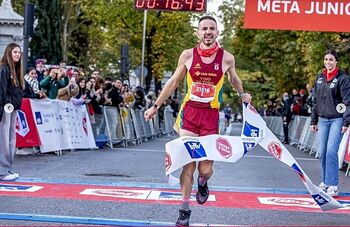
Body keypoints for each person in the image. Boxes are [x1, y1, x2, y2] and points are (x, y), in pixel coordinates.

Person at [144, 15, 252, 226]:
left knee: (205, 170)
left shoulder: (226, 58)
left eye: (212, 28)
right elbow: (174, 82)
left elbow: (234, 79)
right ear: (198, 32)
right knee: (188, 166)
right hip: (190, 114)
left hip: (210, 116)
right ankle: (184, 210)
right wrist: (156, 106)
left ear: (217, 32)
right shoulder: (187, 55)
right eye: (204, 28)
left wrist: (242, 95)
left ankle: (203, 183)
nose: (208, 32)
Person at [310, 50, 350, 197]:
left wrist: (346, 121)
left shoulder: (343, 78)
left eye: (331, 60)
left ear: (336, 62)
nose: (328, 62)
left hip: (337, 119)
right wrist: (313, 120)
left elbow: (347, 101)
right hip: (323, 119)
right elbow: (315, 100)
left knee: (331, 151)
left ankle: (333, 185)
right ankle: (325, 182)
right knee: (322, 152)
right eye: (326, 59)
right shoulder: (319, 77)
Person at [0, 43, 24, 181]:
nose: (17, 54)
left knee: (11, 139)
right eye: (15, 52)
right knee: (4, 140)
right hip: (6, 107)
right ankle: (2, 171)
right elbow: (2, 91)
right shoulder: (4, 69)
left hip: (13, 107)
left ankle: (7, 168)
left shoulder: (15, 70)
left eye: (19, 52)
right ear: (9, 53)